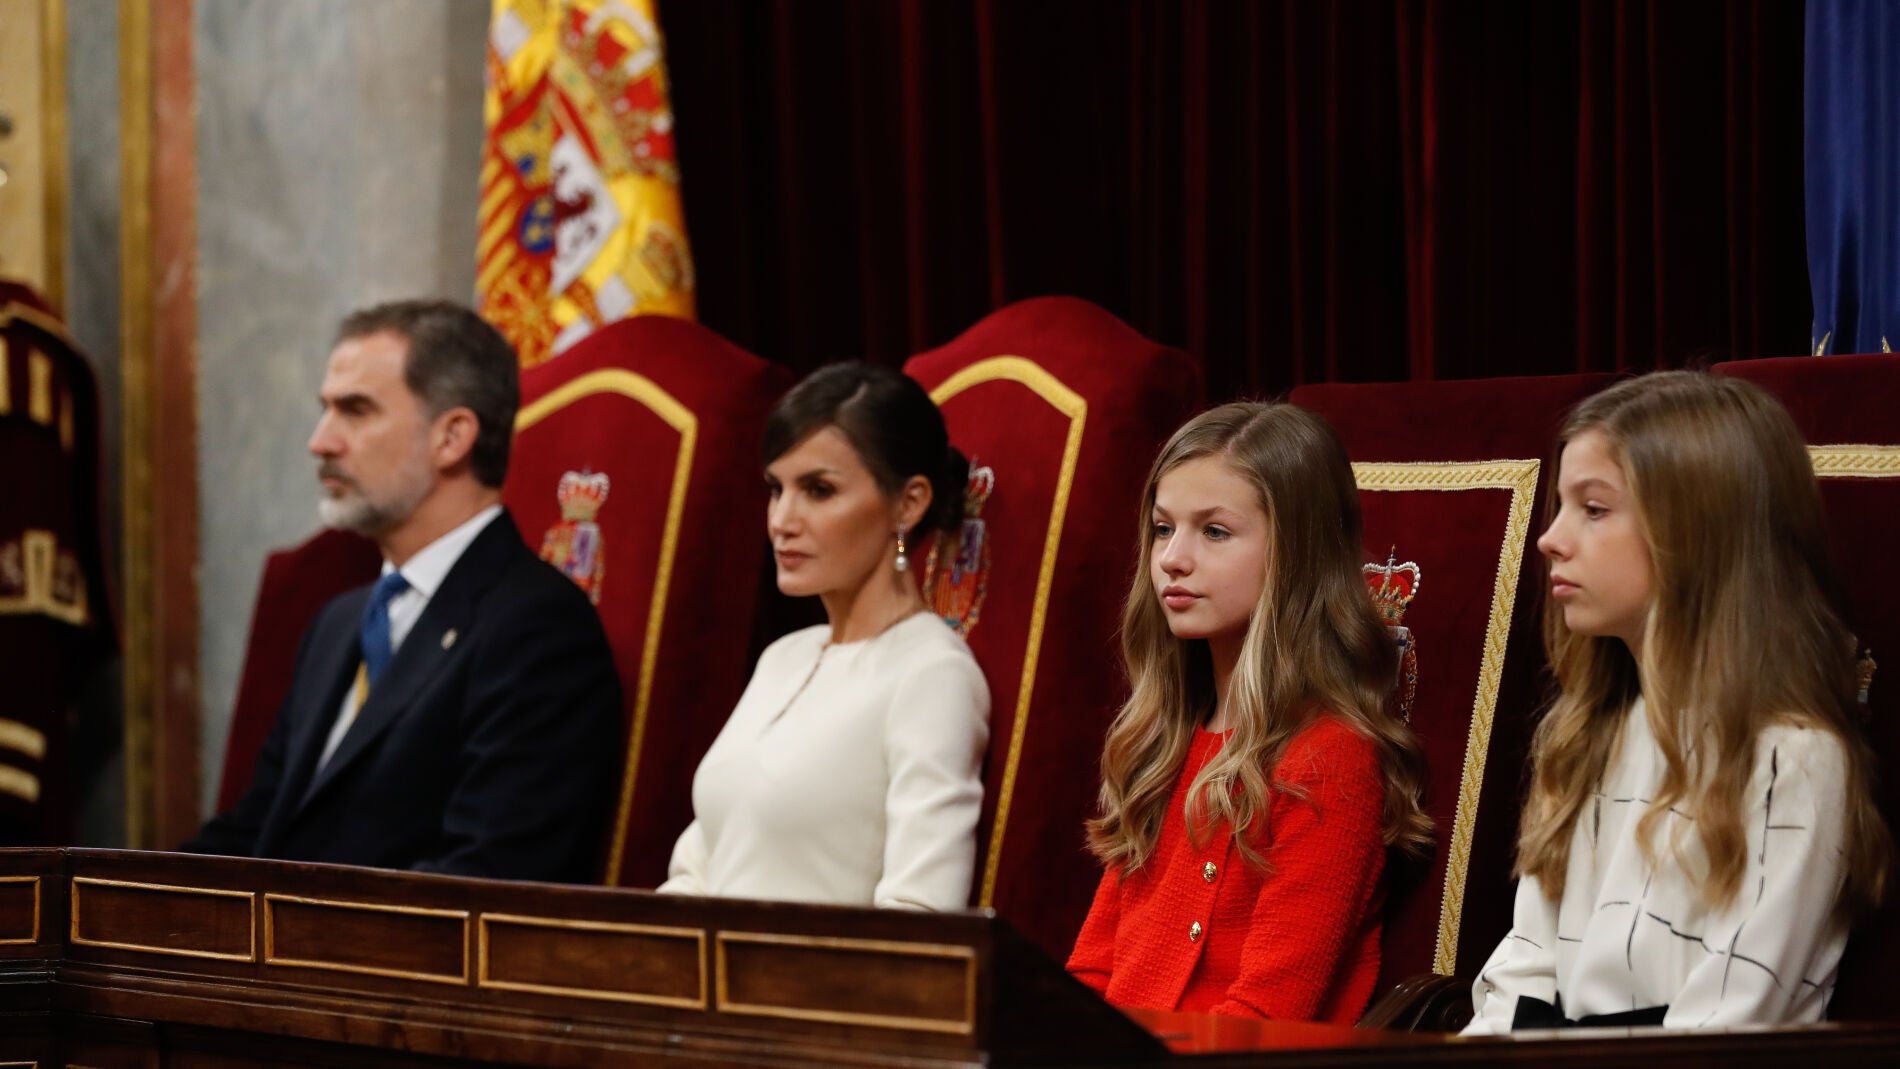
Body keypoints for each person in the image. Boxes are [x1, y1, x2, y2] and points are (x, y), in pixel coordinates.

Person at [1464, 372, 1891, 1032]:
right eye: (1560, 504)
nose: (1550, 537)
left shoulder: (1791, 761)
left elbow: (1727, 1022)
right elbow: (1523, 971)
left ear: (1695, 535)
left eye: (1594, 508)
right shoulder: (1585, 734)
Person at [184, 299, 622, 882]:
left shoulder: (537, 627)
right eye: (325, 411)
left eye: (356, 411)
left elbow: (491, 877)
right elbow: (257, 831)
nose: (321, 441)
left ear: (452, 437)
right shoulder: (338, 622)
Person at [1067, 402, 1433, 1022]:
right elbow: (1093, 971)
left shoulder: (1329, 757)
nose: (1171, 559)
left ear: (1296, 554)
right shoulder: (1164, 740)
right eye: (1162, 528)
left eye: (1214, 531)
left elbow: (1267, 1014)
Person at [657, 362, 989, 910]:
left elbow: (921, 921)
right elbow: (696, 872)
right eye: (775, 488)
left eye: (818, 490)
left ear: (909, 503)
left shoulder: (932, 674)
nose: (782, 520)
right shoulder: (783, 657)